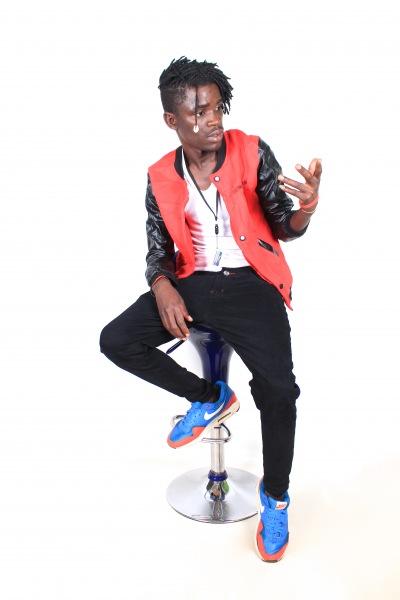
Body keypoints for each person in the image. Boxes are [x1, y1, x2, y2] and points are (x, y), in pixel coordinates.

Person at [100, 56, 322, 562]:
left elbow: (282, 224)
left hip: (251, 285)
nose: (213, 120)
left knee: (280, 391)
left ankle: (275, 498)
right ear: (171, 119)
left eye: (217, 107)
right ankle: (209, 396)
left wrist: (306, 209)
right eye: (198, 112)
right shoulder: (160, 175)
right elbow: (158, 250)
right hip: (191, 285)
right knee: (116, 340)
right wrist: (162, 285)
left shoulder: (251, 151)